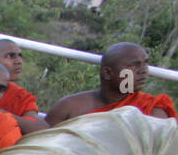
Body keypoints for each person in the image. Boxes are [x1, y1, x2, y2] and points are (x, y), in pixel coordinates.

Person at [45, 42, 176, 124]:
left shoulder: (153, 110)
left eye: (145, 64)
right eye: (134, 66)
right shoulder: (69, 107)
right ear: (107, 73)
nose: (143, 71)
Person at [0, 39, 47, 133]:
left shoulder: (20, 96)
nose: (19, 61)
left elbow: (39, 128)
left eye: (20, 56)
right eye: (10, 56)